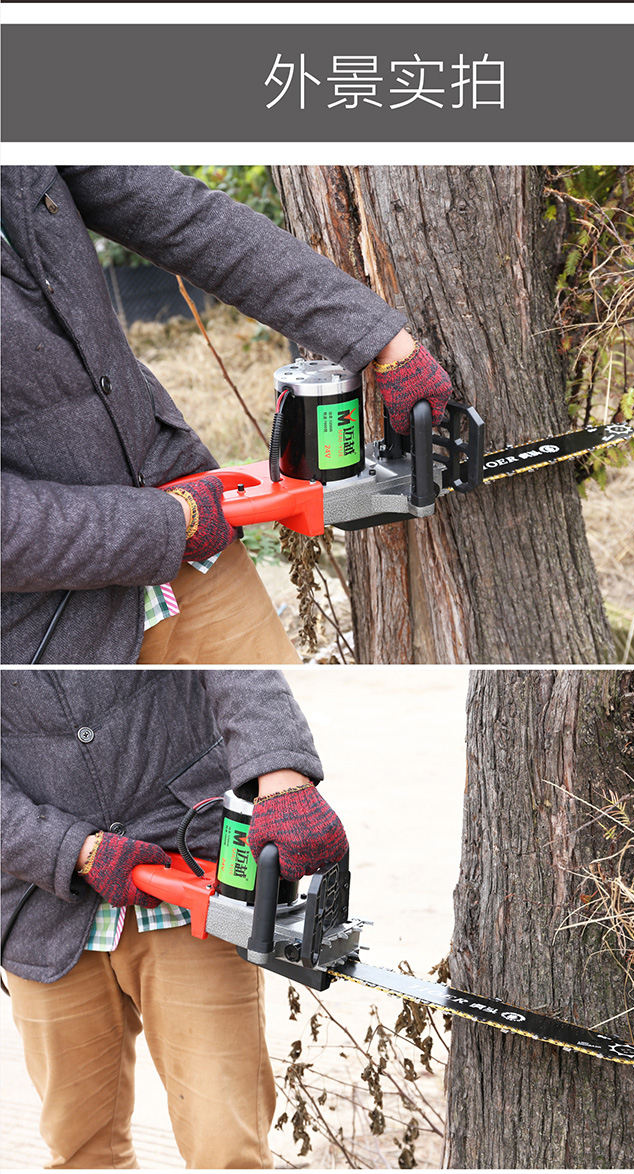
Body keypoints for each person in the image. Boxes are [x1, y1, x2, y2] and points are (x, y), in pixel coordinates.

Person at [1, 166, 453, 665]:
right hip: (46, 628)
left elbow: (181, 215)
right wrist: (166, 523)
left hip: (190, 546)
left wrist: (375, 335)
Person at [0, 668, 347, 1169]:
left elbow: (231, 658)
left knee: (227, 1151)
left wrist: (282, 775)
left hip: (191, 880)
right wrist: (69, 849)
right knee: (82, 1154)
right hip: (42, 910)